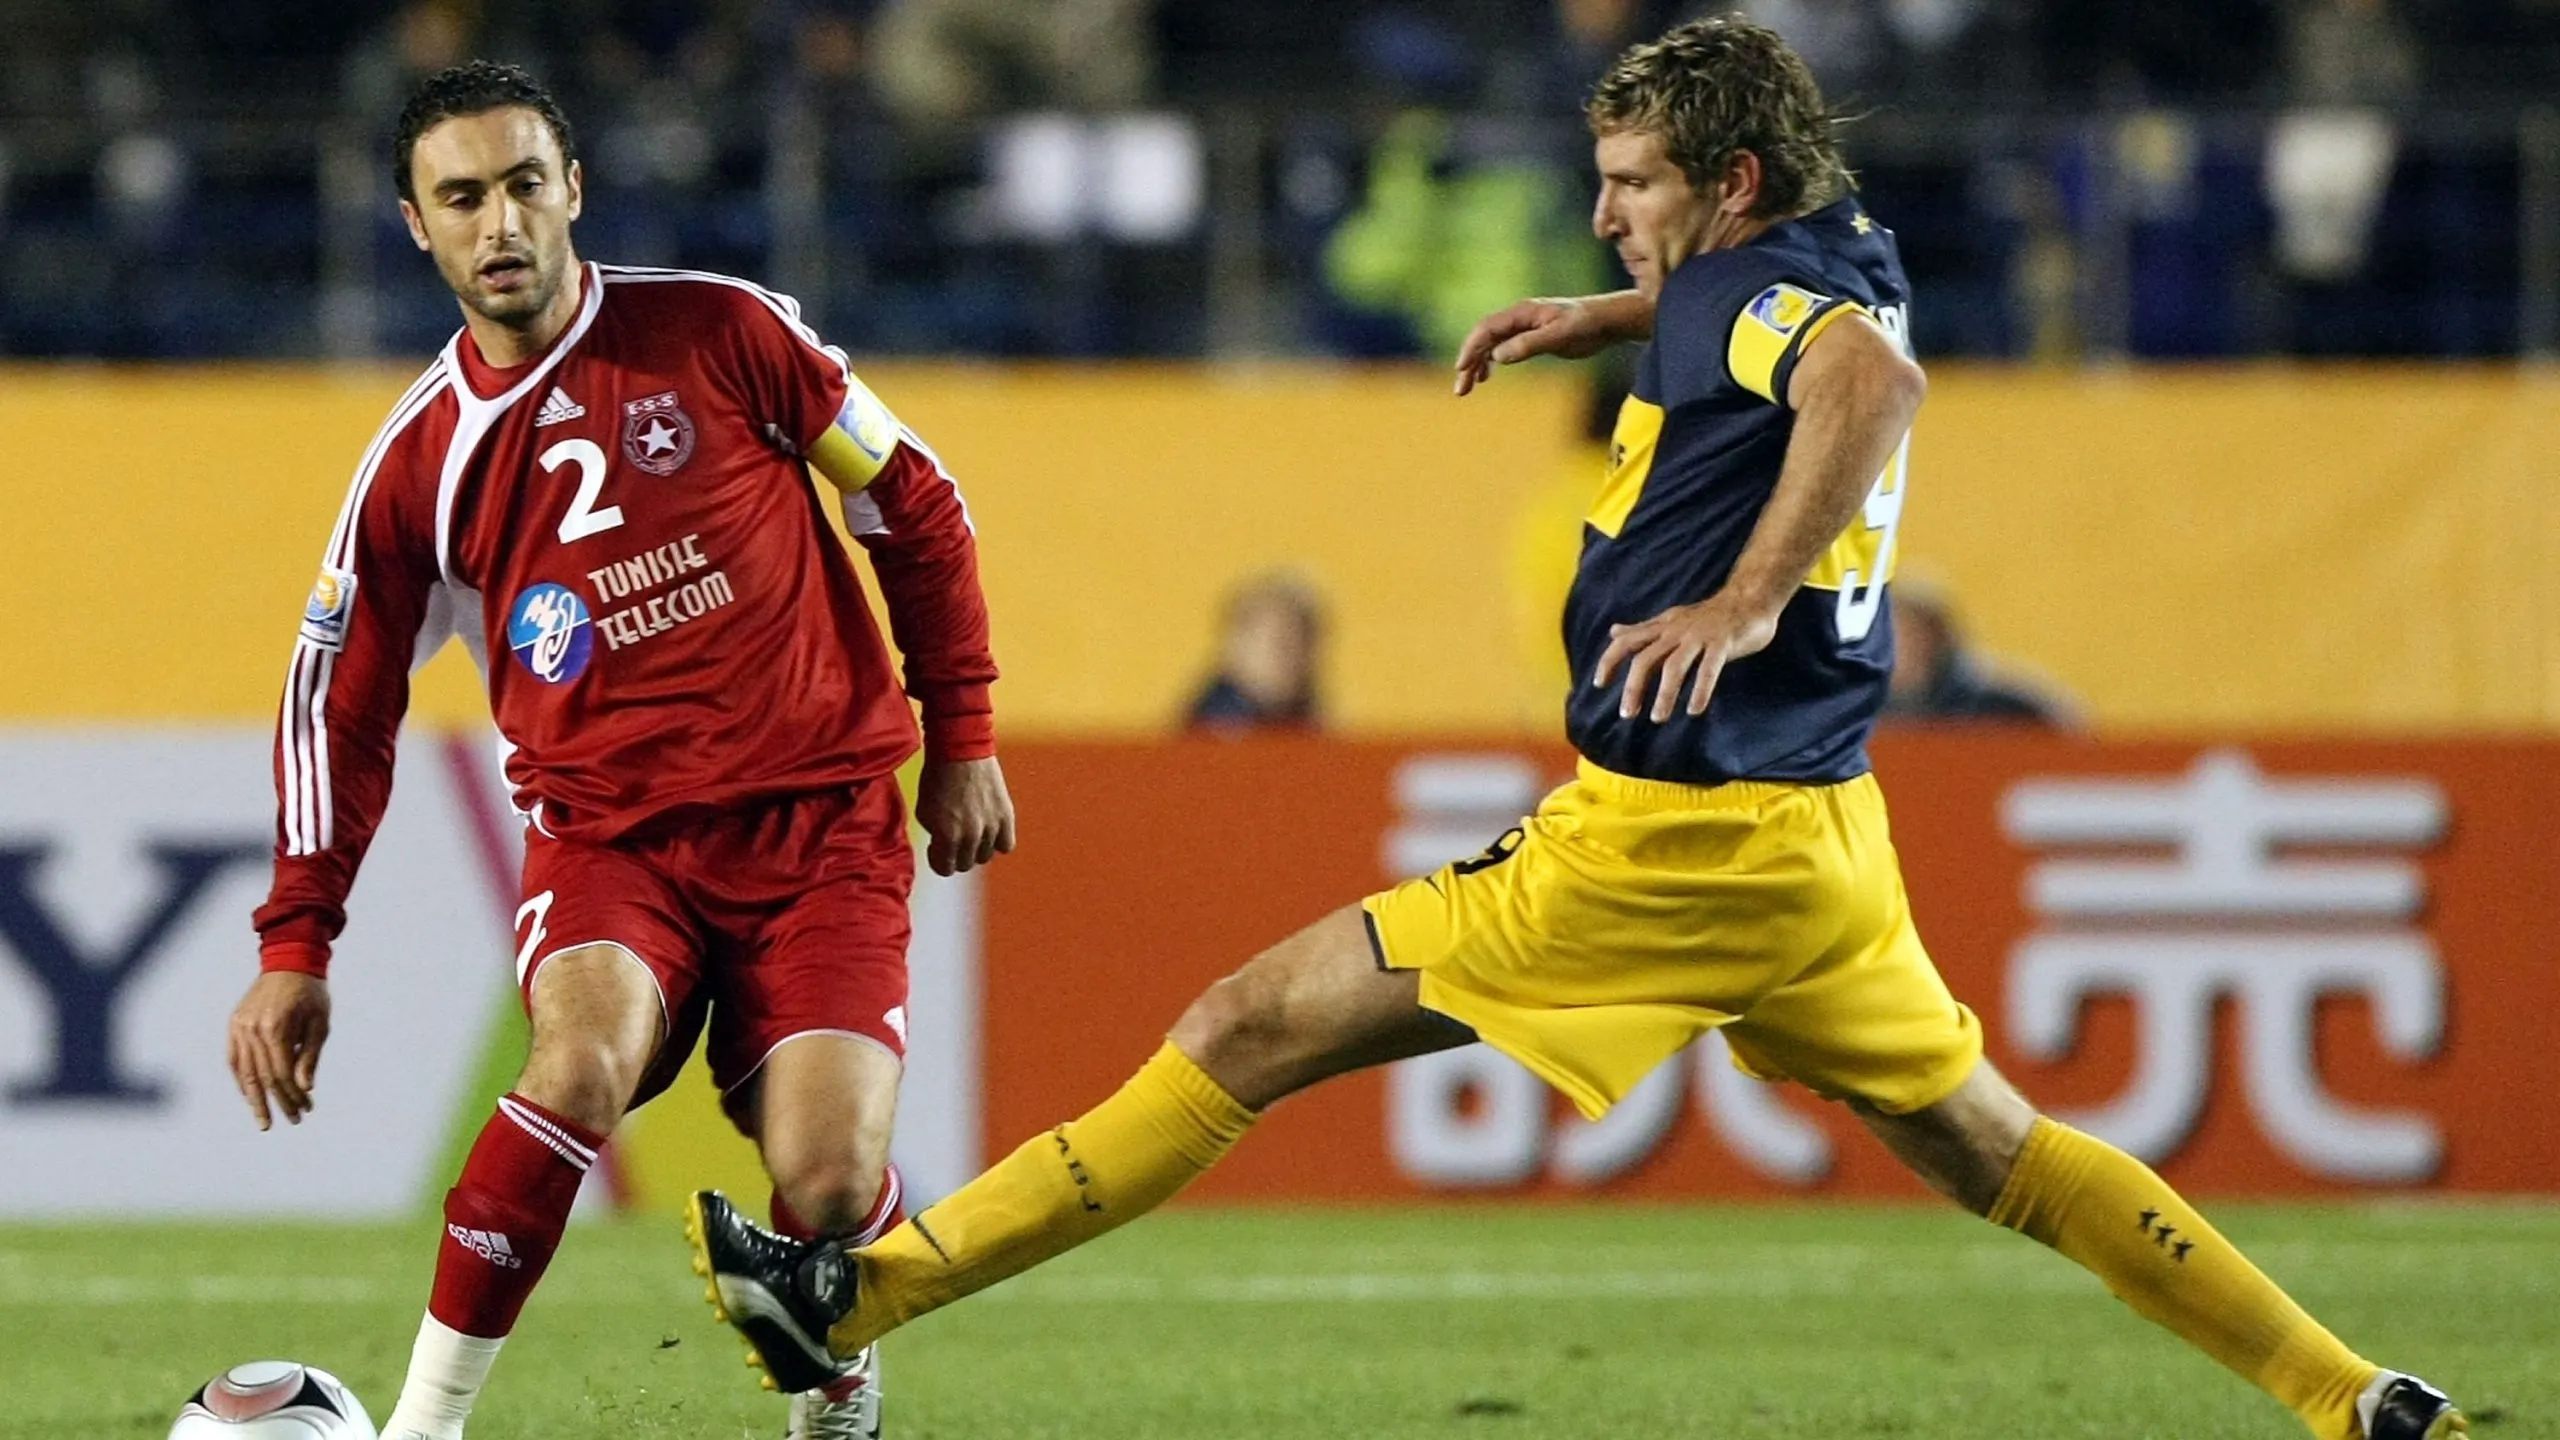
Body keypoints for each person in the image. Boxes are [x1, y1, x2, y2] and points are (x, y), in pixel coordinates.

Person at [683, 19, 2465, 1440]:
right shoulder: (1830, 250)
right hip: (1819, 843)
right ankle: (2351, 1397)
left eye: (1632, 187)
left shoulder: (1786, 304)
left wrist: (1746, 597)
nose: (1605, 212)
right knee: (1998, 1151)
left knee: (1242, 1029)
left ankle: (858, 1297)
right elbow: (1808, 318)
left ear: (1732, 180)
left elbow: (1870, 379)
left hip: (1668, 839)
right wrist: (1606, 316)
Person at [225, 61, 1014, 1440]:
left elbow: (915, 501)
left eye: (523, 183)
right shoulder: (418, 465)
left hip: (821, 830)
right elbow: (340, 706)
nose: (500, 222)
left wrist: (964, 734)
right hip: (612, 844)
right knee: (577, 1068)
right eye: (461, 198)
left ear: (573, 189)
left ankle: (836, 1374)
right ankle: (423, 1427)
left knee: (829, 1184)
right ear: (416, 226)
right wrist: (298, 939)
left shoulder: (724, 331)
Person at [1881, 576, 2074, 724]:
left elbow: (2070, 744)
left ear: (1940, 639)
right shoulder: (1871, 714)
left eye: (1912, 634)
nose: (1901, 647)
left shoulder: (2002, 708)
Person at [1183, 572, 1328, 732]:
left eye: (1303, 642)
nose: (1292, 656)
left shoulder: (1310, 724)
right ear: (1236, 644)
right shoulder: (1209, 730)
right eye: (1279, 642)